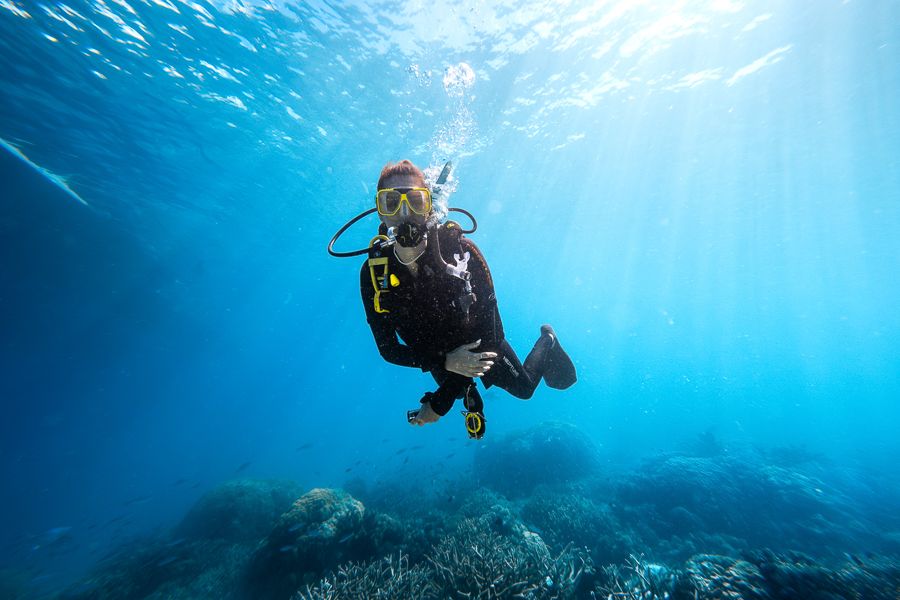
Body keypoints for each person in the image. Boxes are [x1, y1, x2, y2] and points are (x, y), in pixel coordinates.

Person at [359, 159, 576, 438]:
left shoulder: (462, 253)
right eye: (391, 203)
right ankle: (464, 390)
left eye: (415, 201)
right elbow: (388, 349)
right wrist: (447, 362)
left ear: (429, 206)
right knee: (461, 390)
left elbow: (494, 335)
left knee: (523, 390)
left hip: (480, 340)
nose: (404, 214)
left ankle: (548, 339)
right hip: (438, 352)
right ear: (380, 212)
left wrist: (441, 401)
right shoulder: (374, 273)